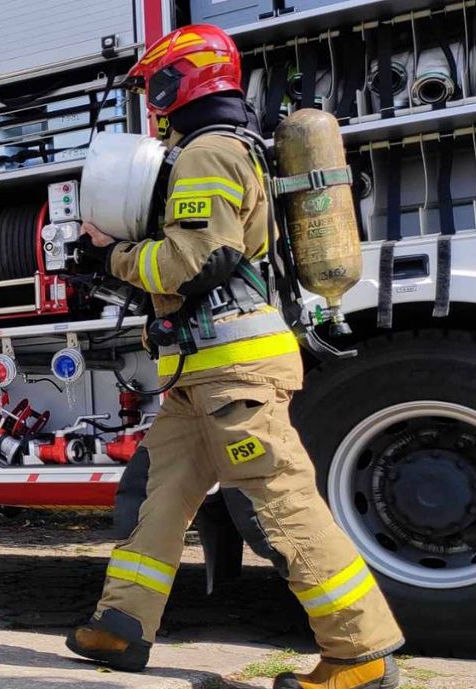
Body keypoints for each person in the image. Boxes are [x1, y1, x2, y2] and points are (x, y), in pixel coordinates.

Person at [65, 25, 405, 689]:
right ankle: (122, 623)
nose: (154, 105)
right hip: (202, 375)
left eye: (156, 88)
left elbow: (197, 261)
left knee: (281, 503)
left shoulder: (210, 151)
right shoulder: (220, 147)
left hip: (234, 372)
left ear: (179, 81)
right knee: (156, 495)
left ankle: (359, 651)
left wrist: (112, 259)